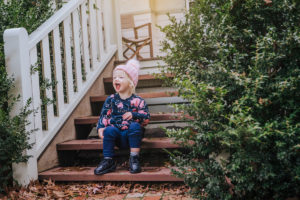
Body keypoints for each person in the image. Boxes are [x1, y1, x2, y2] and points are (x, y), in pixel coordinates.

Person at [94, 59, 150, 175]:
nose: (116, 79)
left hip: (132, 137)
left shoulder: (138, 100)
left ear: (130, 82)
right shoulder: (111, 99)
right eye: (114, 77)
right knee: (109, 129)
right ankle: (108, 161)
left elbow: (146, 118)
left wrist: (134, 115)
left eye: (120, 77)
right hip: (117, 137)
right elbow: (105, 114)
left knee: (135, 126)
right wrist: (100, 127)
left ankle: (134, 159)